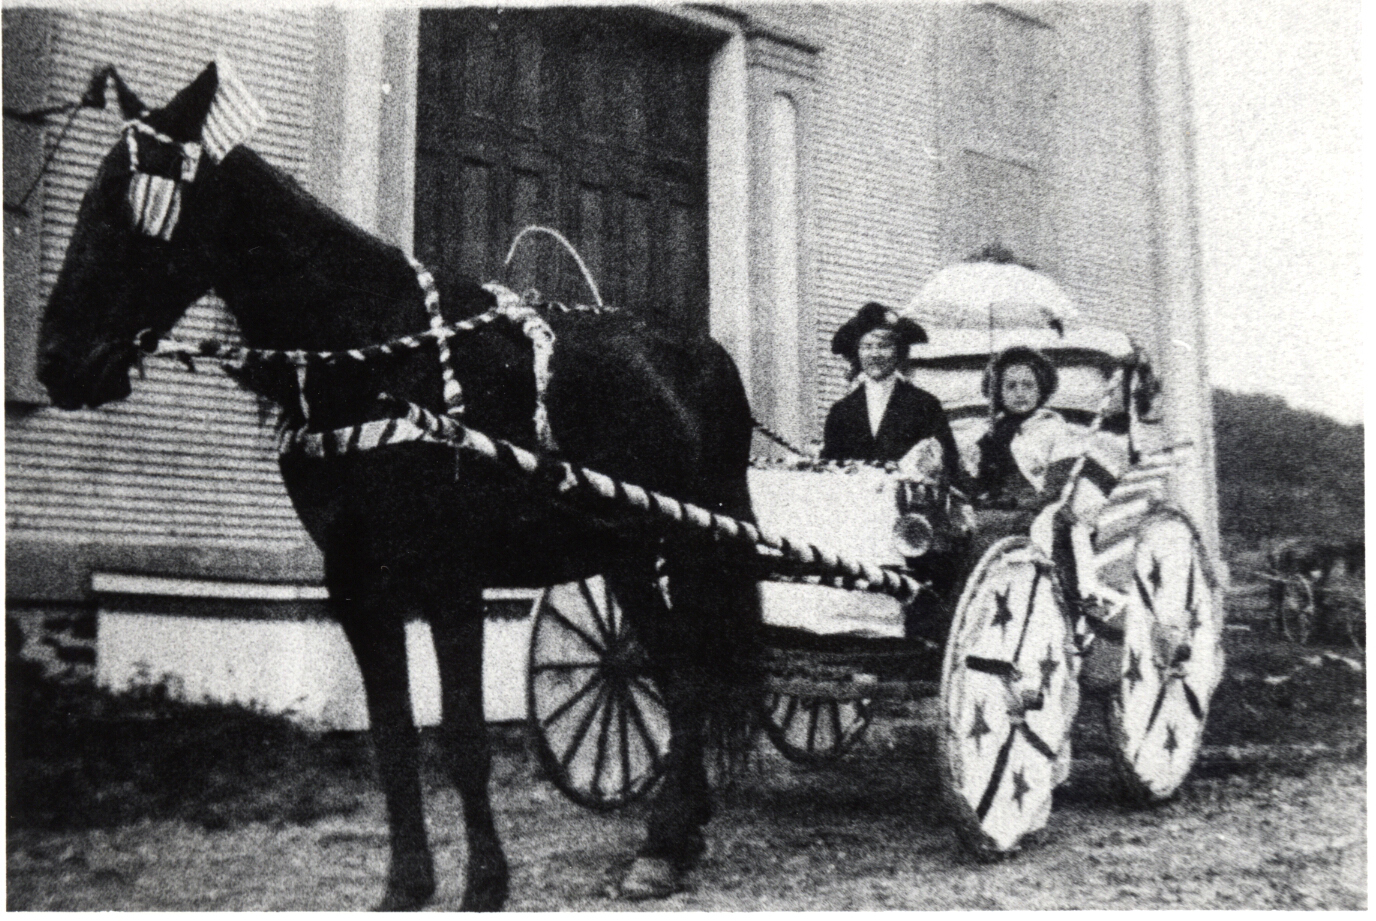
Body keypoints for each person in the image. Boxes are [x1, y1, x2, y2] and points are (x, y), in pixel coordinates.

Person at [821, 302, 961, 483]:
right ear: (857, 353)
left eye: (884, 346)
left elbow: (949, 462)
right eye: (867, 346)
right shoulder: (841, 410)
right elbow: (829, 468)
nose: (875, 354)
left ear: (899, 351)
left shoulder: (925, 404)